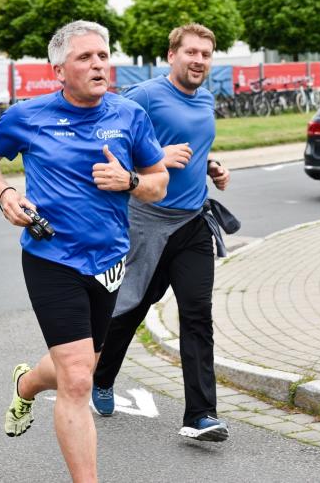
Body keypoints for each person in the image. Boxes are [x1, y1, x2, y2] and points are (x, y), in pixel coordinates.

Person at [0, 20, 168, 482]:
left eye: (102, 56)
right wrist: (4, 193)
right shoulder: (28, 116)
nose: (98, 65)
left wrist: (130, 181)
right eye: (85, 57)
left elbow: (159, 183)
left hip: (110, 261)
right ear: (59, 70)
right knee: (78, 379)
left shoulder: (129, 116)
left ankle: (27, 383)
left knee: (79, 368)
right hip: (51, 258)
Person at [90, 23, 235, 442]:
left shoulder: (205, 97)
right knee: (130, 307)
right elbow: (106, 143)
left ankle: (201, 415)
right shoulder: (145, 96)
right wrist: (156, 157)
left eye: (205, 54)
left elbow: (194, 144)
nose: (199, 60)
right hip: (147, 223)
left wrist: (211, 166)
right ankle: (102, 377)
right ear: (172, 55)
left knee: (197, 314)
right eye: (191, 52)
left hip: (192, 223)